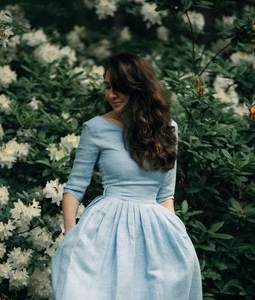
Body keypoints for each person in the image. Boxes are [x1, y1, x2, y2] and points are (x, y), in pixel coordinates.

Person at [51, 52, 202, 299]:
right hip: (104, 231)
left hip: (155, 233)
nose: (111, 95)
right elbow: (74, 188)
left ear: (138, 88)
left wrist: (176, 241)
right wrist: (71, 237)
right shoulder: (95, 128)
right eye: (108, 87)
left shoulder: (168, 129)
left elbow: (166, 195)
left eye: (119, 88)